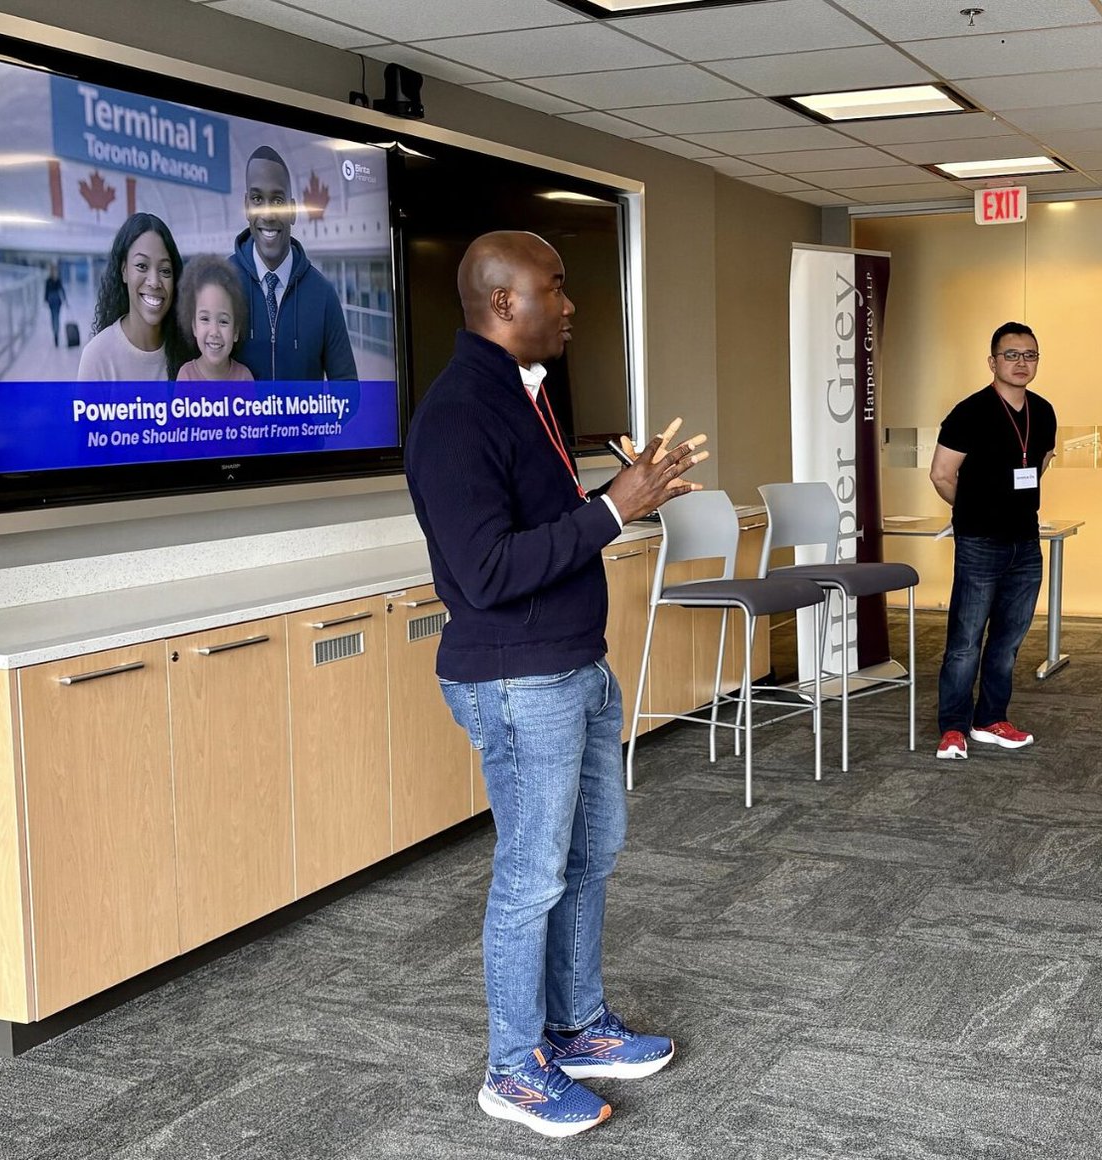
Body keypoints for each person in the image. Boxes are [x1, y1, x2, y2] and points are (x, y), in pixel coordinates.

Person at [405, 230, 705, 1138]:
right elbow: (489, 571)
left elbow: (545, 529)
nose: (571, 305)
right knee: (532, 877)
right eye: (557, 288)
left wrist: (621, 492)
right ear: (503, 303)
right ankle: (512, 1069)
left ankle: (575, 1028)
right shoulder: (458, 413)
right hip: (516, 680)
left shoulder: (524, 395)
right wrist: (618, 506)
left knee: (589, 856)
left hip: (574, 666)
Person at [930, 322, 1057, 760]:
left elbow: (1038, 464)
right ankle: (953, 727)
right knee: (965, 641)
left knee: (1007, 640)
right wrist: (972, 514)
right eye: (1012, 355)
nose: (1022, 363)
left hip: (1025, 543)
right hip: (980, 542)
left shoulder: (1043, 411)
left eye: (1030, 355)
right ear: (992, 361)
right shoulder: (969, 413)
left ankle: (990, 719)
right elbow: (942, 475)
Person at [230, 145, 357, 382]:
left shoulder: (323, 295)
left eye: (277, 201)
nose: (268, 215)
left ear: (293, 211)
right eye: (258, 199)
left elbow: (348, 389)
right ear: (247, 206)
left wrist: (314, 417)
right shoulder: (222, 284)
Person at [78, 213, 188, 381]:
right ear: (124, 271)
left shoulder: (189, 350)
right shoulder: (97, 357)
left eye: (165, 270)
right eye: (142, 266)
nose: (154, 282)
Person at [174, 254, 253, 382]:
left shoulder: (243, 377)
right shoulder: (186, 376)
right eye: (205, 319)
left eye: (223, 321)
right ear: (194, 326)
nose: (214, 332)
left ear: (235, 332)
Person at [44, 262, 68, 347]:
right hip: (57, 299)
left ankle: (55, 333)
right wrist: (65, 300)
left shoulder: (48, 280)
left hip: (51, 299)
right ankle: (56, 332)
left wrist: (45, 300)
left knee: (53, 317)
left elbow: (46, 292)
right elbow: (62, 290)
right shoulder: (57, 280)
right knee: (57, 317)